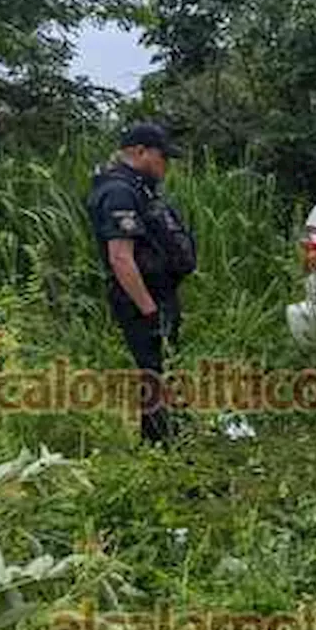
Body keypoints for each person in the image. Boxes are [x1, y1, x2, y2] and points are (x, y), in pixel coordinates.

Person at [86, 123, 196, 446]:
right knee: (155, 373)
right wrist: (149, 310)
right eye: (162, 157)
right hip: (142, 301)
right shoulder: (119, 191)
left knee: (161, 372)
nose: (166, 166)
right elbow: (121, 257)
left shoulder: (136, 187)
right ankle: (165, 449)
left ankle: (160, 442)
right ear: (140, 152)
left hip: (156, 294)